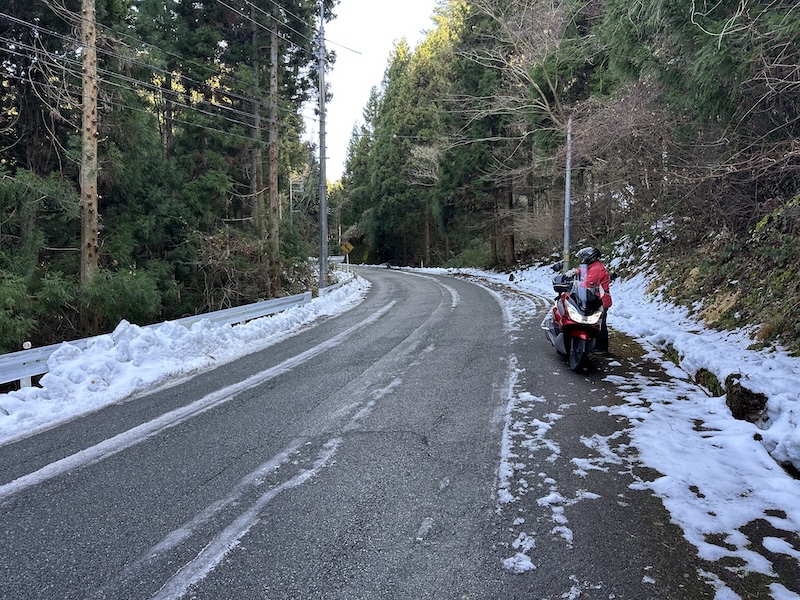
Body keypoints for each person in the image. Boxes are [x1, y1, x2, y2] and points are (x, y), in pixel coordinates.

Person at [574, 246, 612, 352]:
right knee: (596, 322)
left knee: (600, 324)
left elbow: (590, 283)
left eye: (585, 257)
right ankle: (595, 345)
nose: (583, 260)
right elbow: (585, 270)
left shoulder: (597, 268)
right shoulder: (594, 266)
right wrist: (576, 271)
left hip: (601, 300)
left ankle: (601, 347)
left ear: (590, 257)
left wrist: (577, 284)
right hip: (596, 299)